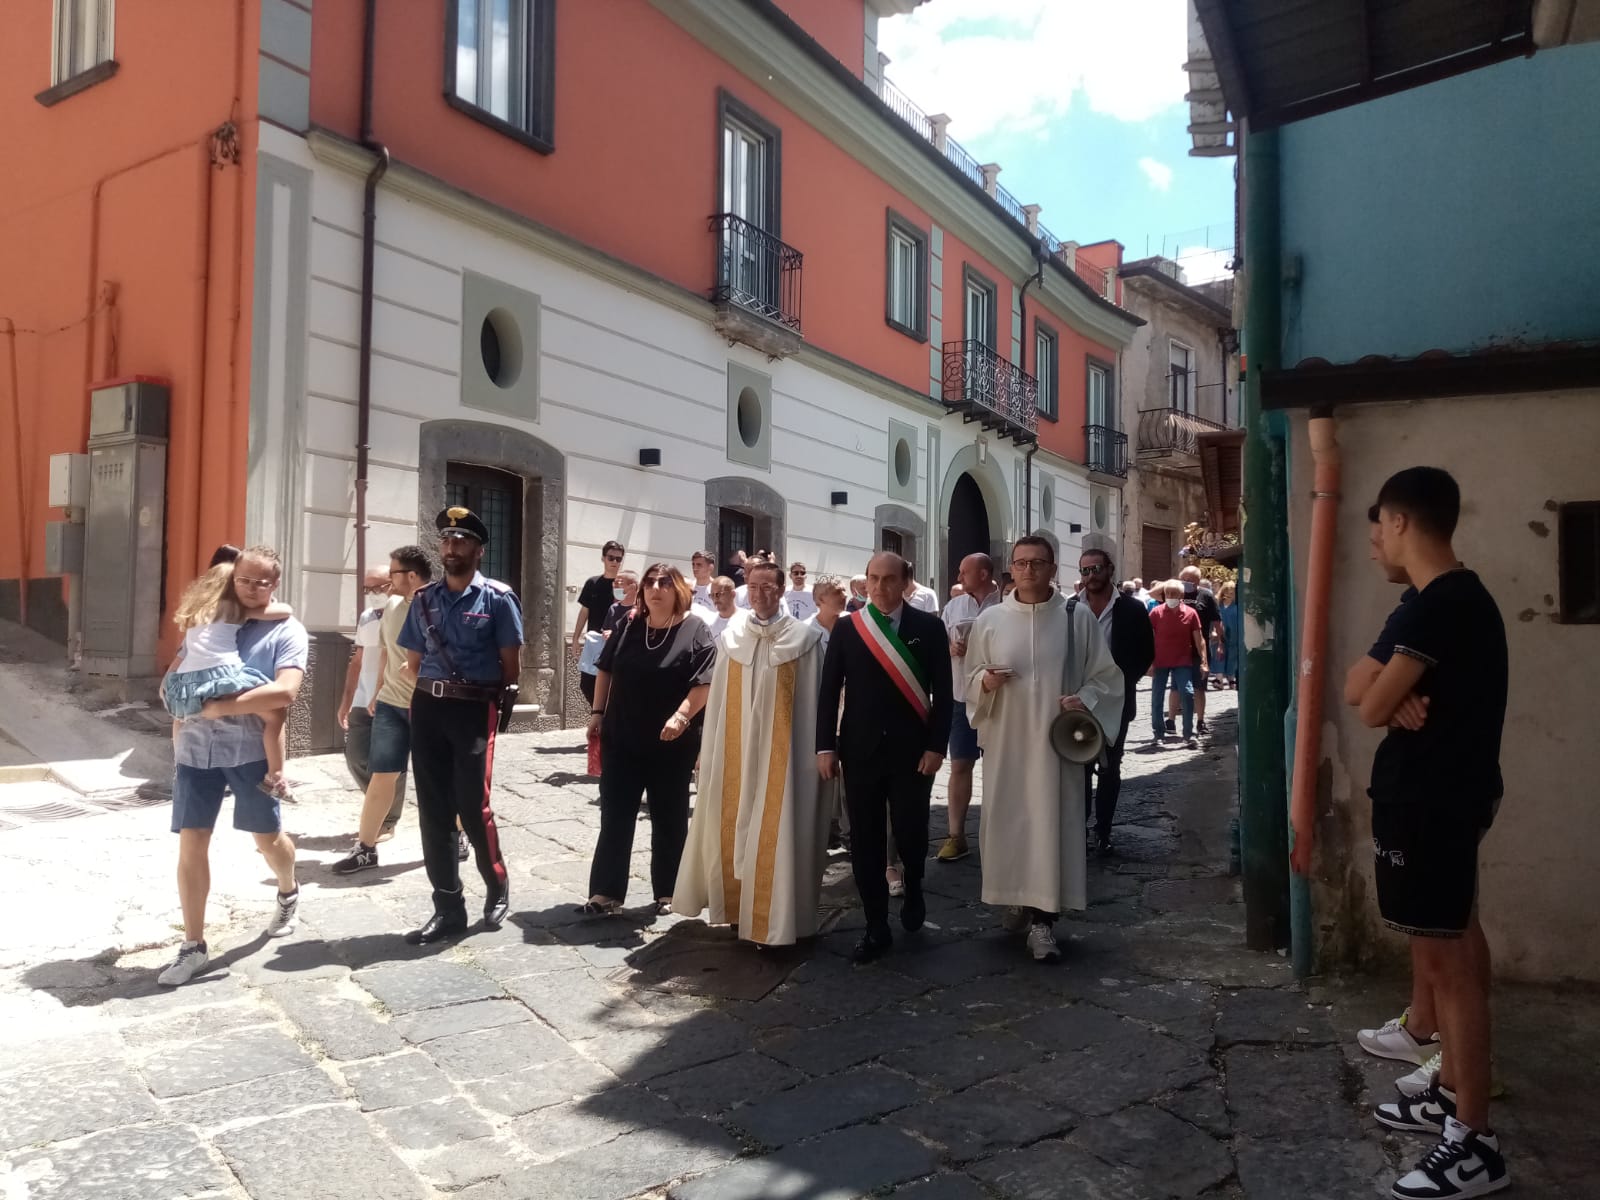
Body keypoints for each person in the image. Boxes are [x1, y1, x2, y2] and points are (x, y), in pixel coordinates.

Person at [1343, 468, 1509, 1198]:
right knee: (1454, 945)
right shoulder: (1429, 603)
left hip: (1435, 801)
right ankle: (1450, 1092)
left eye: (1379, 525)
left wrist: (1391, 693)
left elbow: (1373, 704)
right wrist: (1391, 691)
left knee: (1451, 965)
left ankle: (1474, 1140)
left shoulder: (1442, 605)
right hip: (1434, 799)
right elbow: (1361, 685)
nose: (1374, 541)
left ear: (1404, 522)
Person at [964, 536, 1124, 963]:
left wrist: (1084, 700)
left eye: (1038, 563)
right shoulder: (991, 620)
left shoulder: (1078, 620)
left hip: (1056, 746)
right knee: (1011, 822)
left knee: (1053, 825)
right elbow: (970, 677)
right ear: (1010, 569)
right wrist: (985, 682)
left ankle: (1043, 921)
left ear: (1054, 569)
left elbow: (1106, 677)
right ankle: (1016, 896)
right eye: (1021, 563)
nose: (1029, 570)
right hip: (1007, 742)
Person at [157, 546, 306, 987]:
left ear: (274, 584)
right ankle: (193, 945)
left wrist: (220, 708)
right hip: (195, 750)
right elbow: (177, 670)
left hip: (249, 752)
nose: (253, 589)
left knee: (267, 840)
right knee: (192, 841)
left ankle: (287, 888)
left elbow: (284, 693)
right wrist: (174, 708)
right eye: (245, 580)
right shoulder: (211, 615)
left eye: (263, 582)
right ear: (232, 577)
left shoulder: (287, 630)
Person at [673, 561, 828, 945]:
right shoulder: (732, 637)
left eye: (768, 587)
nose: (760, 594)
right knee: (735, 819)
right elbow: (720, 702)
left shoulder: (805, 641)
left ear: (782, 591)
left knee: (781, 826)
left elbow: (817, 704)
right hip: (736, 753)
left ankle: (778, 919)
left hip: (786, 757)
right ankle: (739, 910)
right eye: (753, 587)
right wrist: (708, 751)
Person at [815, 551, 953, 964]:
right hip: (859, 752)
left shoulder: (928, 627)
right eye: (872, 579)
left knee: (911, 831)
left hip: (913, 753)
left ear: (906, 581)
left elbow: (943, 695)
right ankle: (875, 924)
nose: (878, 587)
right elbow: (828, 692)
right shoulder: (847, 628)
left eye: (888, 579)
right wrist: (826, 746)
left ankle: (914, 889)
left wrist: (936, 746)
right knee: (865, 839)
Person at [399, 508, 523, 944]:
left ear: (478, 550)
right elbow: (413, 663)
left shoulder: (498, 599)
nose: (452, 547)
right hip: (428, 709)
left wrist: (492, 704)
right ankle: (448, 905)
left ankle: (496, 883)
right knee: (433, 810)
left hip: (473, 710)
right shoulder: (424, 599)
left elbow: (511, 665)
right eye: (447, 540)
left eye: (461, 540)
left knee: (473, 805)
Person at [583, 564, 715, 915]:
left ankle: (670, 892)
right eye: (650, 583)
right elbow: (605, 668)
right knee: (615, 813)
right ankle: (606, 892)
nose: (656, 589)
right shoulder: (629, 624)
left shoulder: (695, 628)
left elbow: (704, 682)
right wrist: (597, 713)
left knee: (669, 815)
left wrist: (682, 716)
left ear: (678, 590)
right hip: (622, 736)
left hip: (671, 740)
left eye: (665, 583)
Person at [333, 546, 433, 875]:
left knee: (441, 778)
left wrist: (420, 668)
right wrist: (378, 691)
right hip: (392, 702)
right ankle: (366, 848)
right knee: (382, 774)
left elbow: (453, 654)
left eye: (393, 574)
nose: (387, 582)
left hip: (431, 705)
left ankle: (458, 835)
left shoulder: (440, 604)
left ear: (413, 576)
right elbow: (388, 653)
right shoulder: (391, 606)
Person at [163, 561, 298, 798]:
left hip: (188, 679)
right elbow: (284, 611)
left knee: (181, 717)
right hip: (222, 674)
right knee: (274, 713)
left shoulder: (197, 611)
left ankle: (180, 764)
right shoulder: (232, 609)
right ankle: (275, 776)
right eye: (241, 581)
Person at [1076, 548, 1156, 856]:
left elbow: (1145, 652)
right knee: (1079, 767)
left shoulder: (1133, 609)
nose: (1090, 576)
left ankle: (1103, 829)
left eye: (1096, 569)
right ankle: (1078, 827)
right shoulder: (1071, 608)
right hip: (1080, 702)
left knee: (1110, 767)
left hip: (1117, 701)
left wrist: (1120, 685)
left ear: (1110, 569)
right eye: (1085, 571)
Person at [937, 552, 1002, 863]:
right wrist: (949, 648)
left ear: (984, 573)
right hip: (961, 695)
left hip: (998, 700)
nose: (959, 577)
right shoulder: (954, 606)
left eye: (964, 571)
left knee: (998, 767)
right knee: (960, 764)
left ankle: (997, 834)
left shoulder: (1006, 605)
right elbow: (938, 645)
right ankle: (956, 835)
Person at [338, 568, 407, 841]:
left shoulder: (407, 613)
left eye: (378, 587)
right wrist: (346, 700)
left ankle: (387, 820)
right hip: (362, 697)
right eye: (367, 589)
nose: (372, 594)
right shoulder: (367, 618)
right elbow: (358, 659)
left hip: (393, 697)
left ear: (393, 584)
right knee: (355, 755)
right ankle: (379, 804)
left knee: (390, 761)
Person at [1149, 581, 1205, 749]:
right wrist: (1148, 662)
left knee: (1187, 694)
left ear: (1181, 596)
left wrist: (1204, 661)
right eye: (1169, 594)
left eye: (1175, 594)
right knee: (1156, 697)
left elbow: (1199, 639)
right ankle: (1158, 733)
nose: (1171, 597)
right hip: (1160, 661)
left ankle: (1188, 734)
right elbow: (1148, 639)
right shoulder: (1155, 613)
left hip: (1182, 660)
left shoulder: (1191, 613)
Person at [1168, 566, 1220, 737]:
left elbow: (1217, 621)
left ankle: (1200, 721)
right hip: (1178, 650)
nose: (1185, 583)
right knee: (1175, 687)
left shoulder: (1206, 596)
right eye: (1183, 579)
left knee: (1199, 687)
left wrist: (1221, 642)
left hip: (1199, 649)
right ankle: (1171, 721)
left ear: (1197, 581)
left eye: (1189, 580)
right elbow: (1154, 594)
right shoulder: (1175, 593)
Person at [571, 541, 625, 704]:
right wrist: (575, 639)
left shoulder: (624, 584)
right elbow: (584, 611)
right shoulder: (592, 583)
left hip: (616, 643)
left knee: (613, 686)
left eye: (618, 559)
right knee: (586, 684)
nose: (614, 562)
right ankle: (599, 716)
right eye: (611, 558)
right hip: (594, 643)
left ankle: (606, 720)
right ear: (603, 558)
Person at [1216, 580, 1242, 687]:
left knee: (1232, 655)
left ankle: (1231, 677)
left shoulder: (1237, 605)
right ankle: (1219, 678)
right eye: (1227, 591)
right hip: (1220, 633)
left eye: (1232, 592)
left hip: (1234, 634)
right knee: (1219, 656)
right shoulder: (1219, 604)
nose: (1229, 594)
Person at [602, 570, 641, 635]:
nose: (615, 586)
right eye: (614, 583)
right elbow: (605, 629)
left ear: (633, 586)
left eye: (619, 583)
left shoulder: (641, 610)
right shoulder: (613, 607)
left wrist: (614, 635)